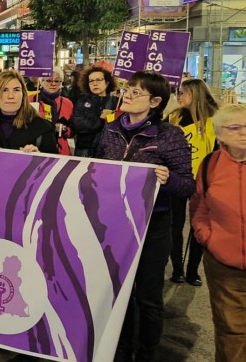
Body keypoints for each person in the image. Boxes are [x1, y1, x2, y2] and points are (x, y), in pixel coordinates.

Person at [96, 71, 195, 362]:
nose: (127, 94)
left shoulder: (169, 136)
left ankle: (148, 353)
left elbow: (187, 185)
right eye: (128, 89)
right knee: (119, 291)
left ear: (155, 101)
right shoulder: (111, 129)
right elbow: (98, 167)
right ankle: (123, 349)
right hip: (115, 223)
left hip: (153, 225)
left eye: (136, 92)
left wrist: (168, 179)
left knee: (148, 296)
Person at [190, 104, 246, 362]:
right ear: (219, 134)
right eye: (234, 128)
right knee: (231, 333)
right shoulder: (210, 165)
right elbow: (200, 206)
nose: (243, 133)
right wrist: (208, 238)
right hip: (225, 267)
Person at [166, 78, 219, 286]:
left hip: (202, 181)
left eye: (183, 92)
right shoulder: (174, 117)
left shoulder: (214, 119)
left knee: (199, 225)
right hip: (177, 178)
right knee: (174, 225)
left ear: (195, 94)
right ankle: (177, 269)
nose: (179, 96)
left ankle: (193, 270)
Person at [0, 70, 57, 154]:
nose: (11, 96)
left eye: (16, 90)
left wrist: (40, 157)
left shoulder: (43, 129)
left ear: (23, 95)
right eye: (4, 90)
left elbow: (54, 166)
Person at [72, 66, 117, 157]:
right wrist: (100, 119)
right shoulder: (82, 102)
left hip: (108, 150)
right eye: (91, 81)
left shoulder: (116, 102)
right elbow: (78, 125)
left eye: (98, 80)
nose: (95, 83)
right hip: (85, 150)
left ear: (107, 82)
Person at [29, 68, 74, 155]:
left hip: (61, 150)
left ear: (61, 83)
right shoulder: (31, 99)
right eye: (49, 80)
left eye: (57, 81)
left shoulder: (68, 103)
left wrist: (63, 129)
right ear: (41, 82)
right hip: (36, 148)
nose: (53, 84)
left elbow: (73, 131)